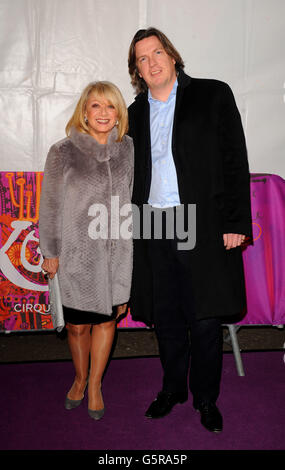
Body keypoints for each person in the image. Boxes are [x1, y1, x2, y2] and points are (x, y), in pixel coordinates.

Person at [127, 27, 252, 433]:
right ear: (137, 71)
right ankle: (172, 389)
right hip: (153, 223)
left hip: (202, 222)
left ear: (172, 55)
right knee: (165, 318)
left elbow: (235, 159)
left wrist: (236, 222)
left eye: (157, 52)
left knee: (203, 317)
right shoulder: (133, 114)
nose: (152, 62)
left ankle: (205, 397)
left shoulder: (213, 95)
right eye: (143, 59)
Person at [39, 81, 133, 420]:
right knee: (78, 326)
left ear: (119, 112)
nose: (104, 113)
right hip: (76, 255)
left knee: (107, 322)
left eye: (111, 106)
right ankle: (79, 379)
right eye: (96, 106)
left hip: (114, 255)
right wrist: (50, 252)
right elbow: (49, 206)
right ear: (84, 111)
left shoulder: (128, 149)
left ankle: (95, 385)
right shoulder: (62, 151)